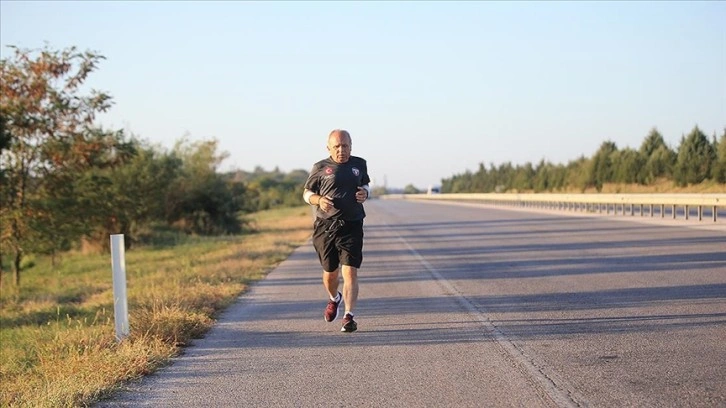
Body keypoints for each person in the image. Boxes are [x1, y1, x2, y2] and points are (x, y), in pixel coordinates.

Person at [303, 129, 370, 333]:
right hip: (325, 227)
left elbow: (365, 184)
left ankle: (348, 316)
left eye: (346, 146)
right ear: (329, 148)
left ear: (351, 145)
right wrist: (319, 200)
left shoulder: (359, 164)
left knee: (350, 271)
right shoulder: (320, 167)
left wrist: (365, 192)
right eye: (337, 147)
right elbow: (307, 193)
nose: (342, 150)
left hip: (352, 224)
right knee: (330, 274)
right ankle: (334, 298)